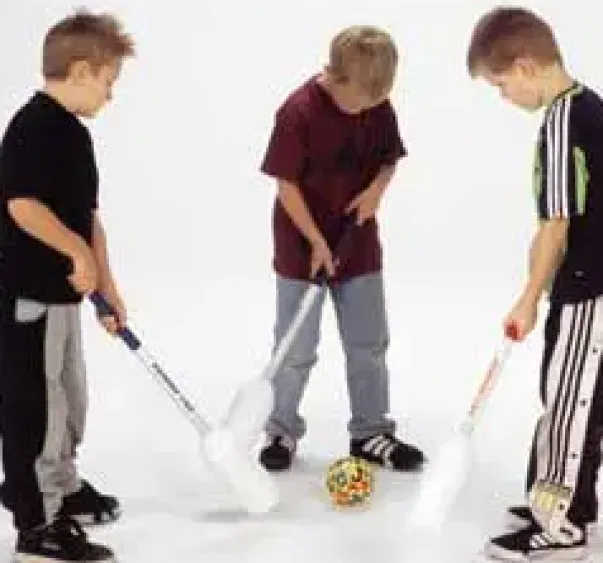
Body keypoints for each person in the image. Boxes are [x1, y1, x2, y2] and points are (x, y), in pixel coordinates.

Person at [257, 24, 425, 473]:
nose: (368, 109)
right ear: (336, 77)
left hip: (358, 246)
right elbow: (285, 185)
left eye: (376, 101)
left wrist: (376, 193)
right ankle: (280, 430)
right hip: (301, 248)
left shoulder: (378, 106)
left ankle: (371, 433)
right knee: (295, 349)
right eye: (362, 101)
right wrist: (315, 240)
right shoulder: (297, 112)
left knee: (368, 343)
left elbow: (389, 159)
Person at [467, 6, 602, 561]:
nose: (504, 97)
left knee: (568, 402)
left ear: (524, 67)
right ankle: (574, 502)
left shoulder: (562, 122)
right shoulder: (587, 106)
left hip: (591, 288)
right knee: (577, 398)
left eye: (501, 85)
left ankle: (561, 525)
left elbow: (555, 225)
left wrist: (527, 299)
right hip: (584, 280)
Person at [0, 9, 134, 562]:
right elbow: (23, 206)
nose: (111, 95)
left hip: (63, 299)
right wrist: (77, 253)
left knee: (70, 396)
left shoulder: (75, 135)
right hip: (29, 296)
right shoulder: (32, 128)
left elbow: (88, 217)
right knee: (37, 407)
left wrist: (107, 287)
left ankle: (60, 484)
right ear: (80, 71)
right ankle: (37, 523)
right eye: (108, 82)